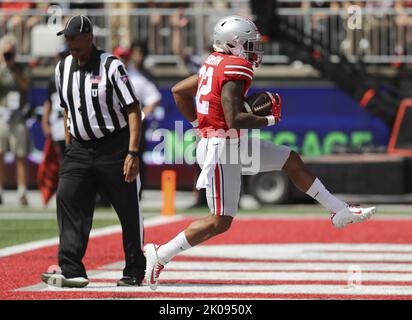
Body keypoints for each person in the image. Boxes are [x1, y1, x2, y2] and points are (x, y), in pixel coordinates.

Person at [144, 15, 377, 290]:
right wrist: (270, 120)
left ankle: (338, 210)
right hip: (222, 149)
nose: (254, 50)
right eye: (249, 44)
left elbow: (178, 91)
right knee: (219, 221)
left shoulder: (213, 62)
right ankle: (159, 254)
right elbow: (234, 119)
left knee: (291, 160)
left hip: (230, 142)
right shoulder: (236, 67)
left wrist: (198, 125)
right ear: (233, 44)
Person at [40, 15, 146, 288]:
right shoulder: (62, 68)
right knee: (67, 196)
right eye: (68, 38)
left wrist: (132, 152)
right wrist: (69, 147)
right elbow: (67, 111)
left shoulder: (111, 65)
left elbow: (133, 109)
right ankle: (72, 268)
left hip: (115, 146)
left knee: (127, 208)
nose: (70, 43)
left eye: (75, 38)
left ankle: (134, 269)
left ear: (89, 37)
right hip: (79, 147)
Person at [0, 34, 31, 206]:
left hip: (18, 116)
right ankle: (0, 190)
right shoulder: (1, 69)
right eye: (6, 53)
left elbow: (26, 85)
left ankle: (22, 191)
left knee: (20, 154)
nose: (8, 56)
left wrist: (14, 69)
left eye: (11, 53)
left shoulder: (21, 68)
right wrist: (4, 66)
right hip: (2, 115)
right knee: (0, 154)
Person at [128, 41, 162, 195]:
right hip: (118, 125)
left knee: (136, 155)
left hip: (134, 125)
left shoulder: (142, 77)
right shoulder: (118, 72)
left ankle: (137, 191)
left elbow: (154, 98)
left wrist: (139, 117)